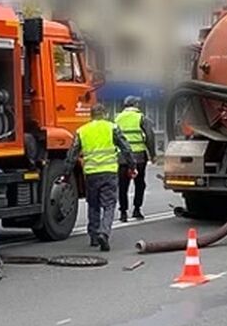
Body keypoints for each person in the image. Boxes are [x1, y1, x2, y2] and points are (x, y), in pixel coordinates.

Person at [64, 103, 134, 252]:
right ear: (105, 114)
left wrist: (66, 173)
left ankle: (94, 236)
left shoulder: (82, 131)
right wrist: (132, 166)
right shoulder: (112, 127)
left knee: (93, 204)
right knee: (109, 205)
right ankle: (104, 232)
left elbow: (72, 154)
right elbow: (126, 148)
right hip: (109, 172)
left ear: (91, 115)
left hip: (91, 174)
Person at [116, 95, 157, 222]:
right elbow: (149, 136)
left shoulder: (117, 118)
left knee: (123, 185)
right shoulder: (141, 117)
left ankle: (123, 212)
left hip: (122, 158)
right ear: (136, 105)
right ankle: (137, 210)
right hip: (139, 157)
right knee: (139, 183)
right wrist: (152, 154)